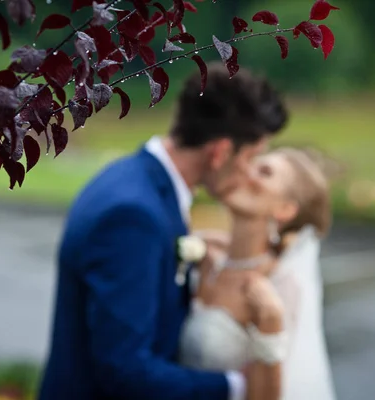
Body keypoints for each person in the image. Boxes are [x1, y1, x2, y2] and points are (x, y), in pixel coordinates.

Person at [38, 63, 289, 400]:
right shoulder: (132, 216)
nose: (249, 174)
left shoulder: (134, 181)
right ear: (220, 153)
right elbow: (124, 371)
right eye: (251, 157)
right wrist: (237, 386)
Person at [184, 147, 337, 400]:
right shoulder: (207, 258)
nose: (245, 171)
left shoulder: (281, 286)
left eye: (264, 172)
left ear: (285, 209)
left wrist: (270, 322)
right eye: (250, 163)